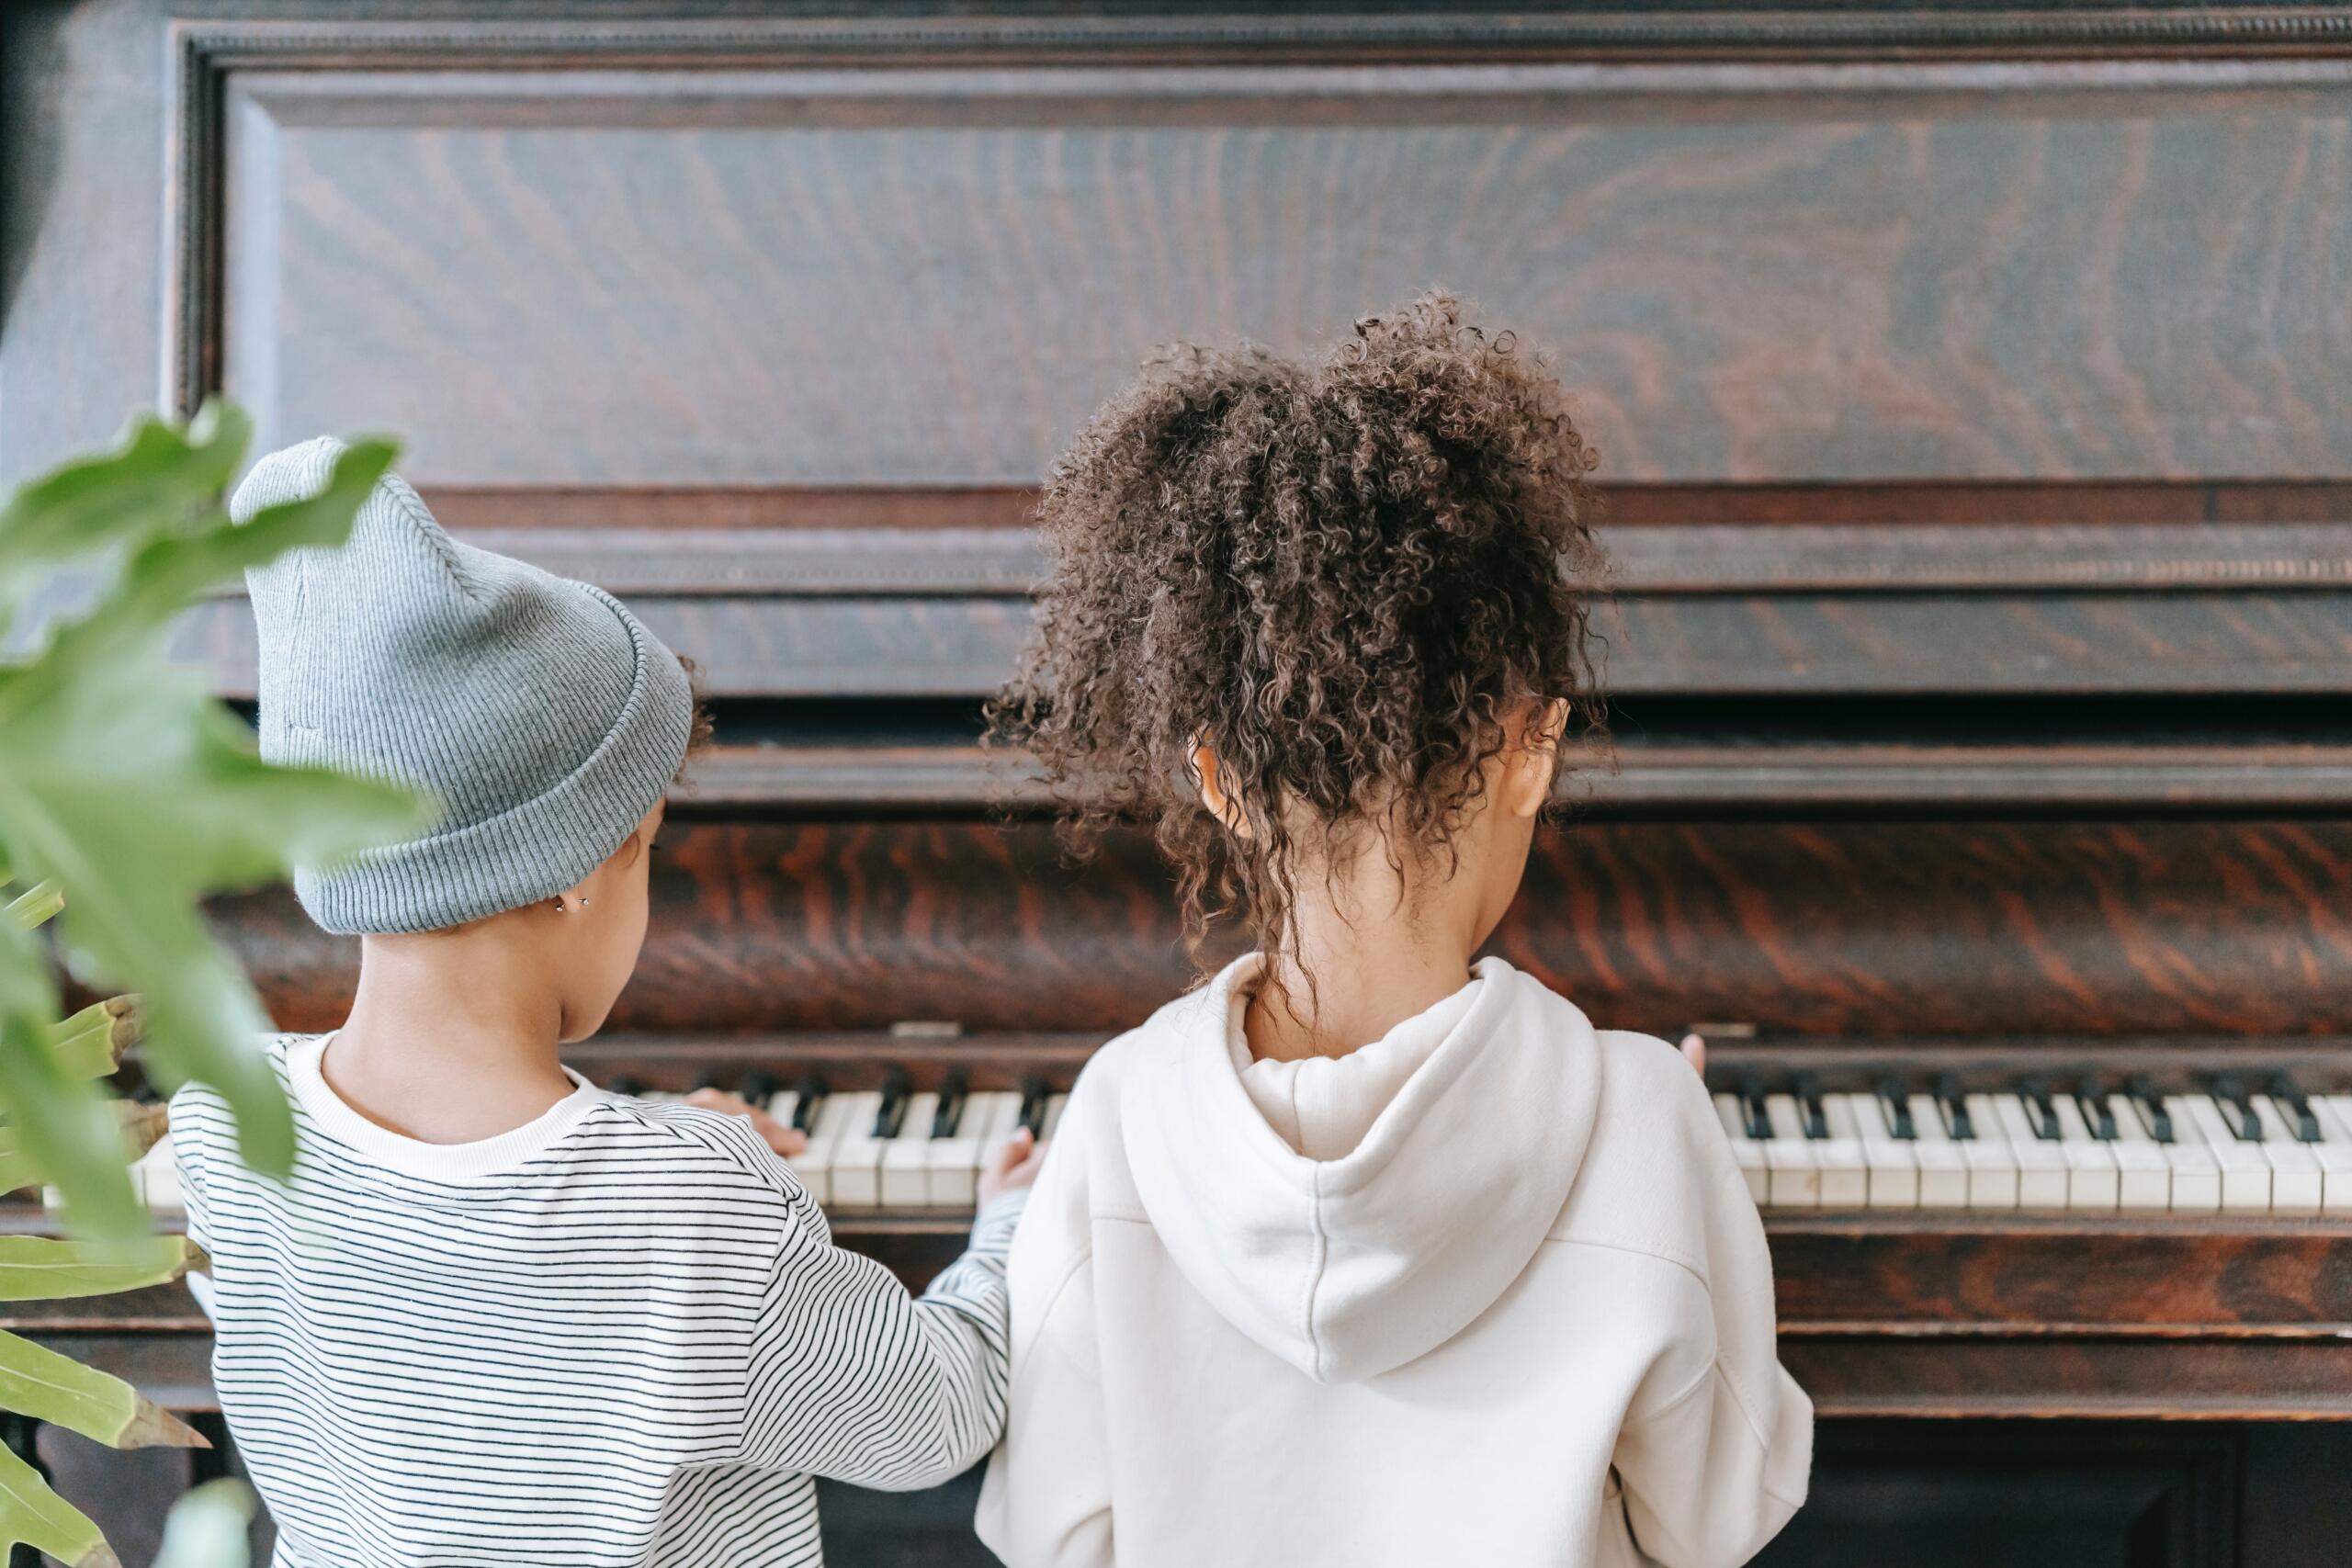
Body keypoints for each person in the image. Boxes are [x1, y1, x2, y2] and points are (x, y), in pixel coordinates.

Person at [975, 294, 1810, 1568]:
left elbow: (1058, 1532)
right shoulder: (1641, 1118)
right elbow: (1718, 1515)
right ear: (1533, 745)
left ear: (1219, 775)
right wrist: (1671, 1159)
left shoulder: (1117, 1116)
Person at [170, 438, 1043, 1567]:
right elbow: (939, 1416)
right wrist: (1014, 1227)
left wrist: (666, 1158)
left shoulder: (219, 1124)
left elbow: (455, 1275)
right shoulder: (695, 1207)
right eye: (652, 852)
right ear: (583, 863)